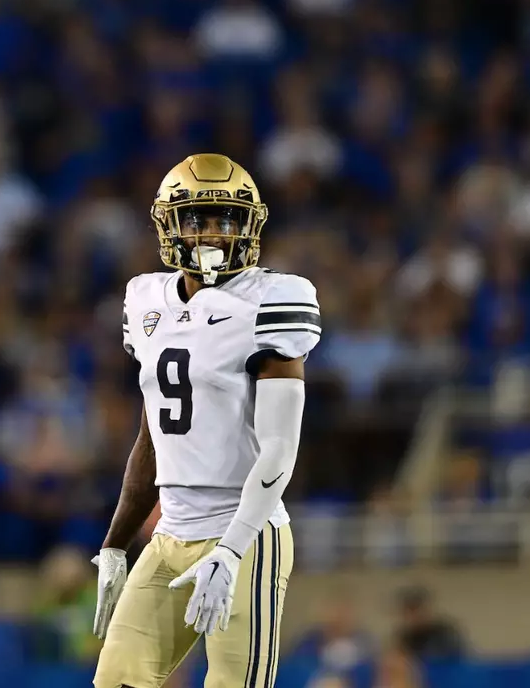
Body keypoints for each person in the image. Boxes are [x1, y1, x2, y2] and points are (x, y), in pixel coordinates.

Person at [91, 154, 319, 688]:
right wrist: (114, 545)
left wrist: (233, 549)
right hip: (170, 535)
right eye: (197, 217)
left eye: (225, 218)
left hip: (245, 535)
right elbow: (151, 440)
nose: (212, 231)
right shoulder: (146, 299)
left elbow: (280, 449)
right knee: (116, 680)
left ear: (249, 225)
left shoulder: (272, 300)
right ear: (169, 224)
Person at [393, 585, 466, 663]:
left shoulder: (446, 633)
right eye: (408, 612)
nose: (413, 617)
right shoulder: (404, 637)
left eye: (417, 610)